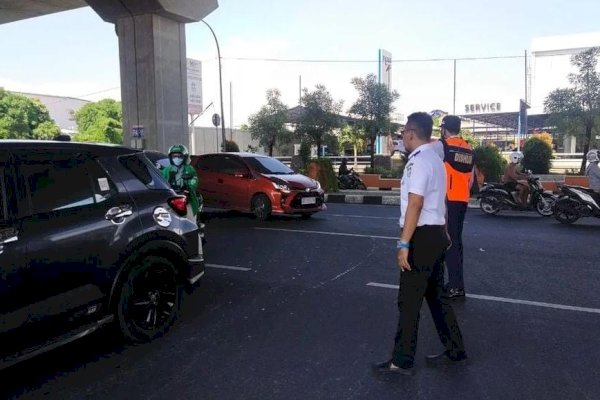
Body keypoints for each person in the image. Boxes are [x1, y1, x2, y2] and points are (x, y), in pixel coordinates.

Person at [373, 112, 467, 376]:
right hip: (436, 234)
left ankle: (401, 361)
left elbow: (416, 203)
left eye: (403, 132)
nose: (402, 137)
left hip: (421, 237)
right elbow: (443, 200)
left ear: (411, 133)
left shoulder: (418, 162)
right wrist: (446, 232)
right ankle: (456, 351)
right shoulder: (437, 160)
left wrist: (404, 244)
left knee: (409, 301)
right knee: (437, 298)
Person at [438, 115, 474, 299]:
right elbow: (471, 179)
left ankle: (455, 287)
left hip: (447, 200)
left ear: (444, 128)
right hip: (462, 200)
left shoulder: (443, 147)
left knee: (449, 242)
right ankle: (455, 283)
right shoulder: (468, 148)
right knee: (456, 241)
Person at [162, 144, 200, 220]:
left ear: (184, 157)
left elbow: (195, 180)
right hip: (172, 199)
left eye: (179, 156)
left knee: (190, 222)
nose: (177, 158)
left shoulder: (189, 169)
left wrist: (189, 185)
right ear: (170, 158)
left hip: (187, 199)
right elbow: (161, 182)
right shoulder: (166, 170)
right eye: (174, 156)